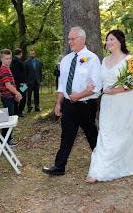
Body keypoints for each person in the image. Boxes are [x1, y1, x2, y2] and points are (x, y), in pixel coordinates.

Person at [85, 29, 133, 183]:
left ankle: (126, 161)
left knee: (124, 132)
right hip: (108, 103)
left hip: (124, 102)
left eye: (111, 39)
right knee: (106, 133)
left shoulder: (129, 59)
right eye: (107, 40)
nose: (108, 42)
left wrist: (115, 90)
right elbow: (100, 81)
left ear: (120, 41)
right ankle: (99, 170)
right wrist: (91, 83)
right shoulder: (104, 60)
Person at [42, 26, 102, 176]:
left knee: (92, 135)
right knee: (67, 136)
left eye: (72, 39)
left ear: (82, 39)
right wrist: (58, 103)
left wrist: (79, 96)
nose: (70, 41)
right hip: (68, 105)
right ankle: (59, 167)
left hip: (86, 106)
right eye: (69, 39)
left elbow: (97, 86)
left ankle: (102, 163)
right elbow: (62, 84)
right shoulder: (66, 60)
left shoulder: (92, 58)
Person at [0, 49, 22, 146]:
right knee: (7, 119)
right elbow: (8, 85)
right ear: (2, 59)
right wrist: (18, 93)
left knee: (10, 117)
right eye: (6, 58)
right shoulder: (3, 69)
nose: (8, 60)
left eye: (10, 58)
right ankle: (5, 140)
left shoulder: (7, 68)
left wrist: (14, 94)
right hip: (6, 97)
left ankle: (8, 136)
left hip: (10, 96)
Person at [11, 48, 27, 117]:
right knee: (22, 96)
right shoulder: (16, 61)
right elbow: (18, 73)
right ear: (20, 53)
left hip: (19, 82)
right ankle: (19, 111)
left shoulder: (15, 61)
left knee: (20, 96)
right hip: (20, 83)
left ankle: (17, 111)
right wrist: (22, 82)